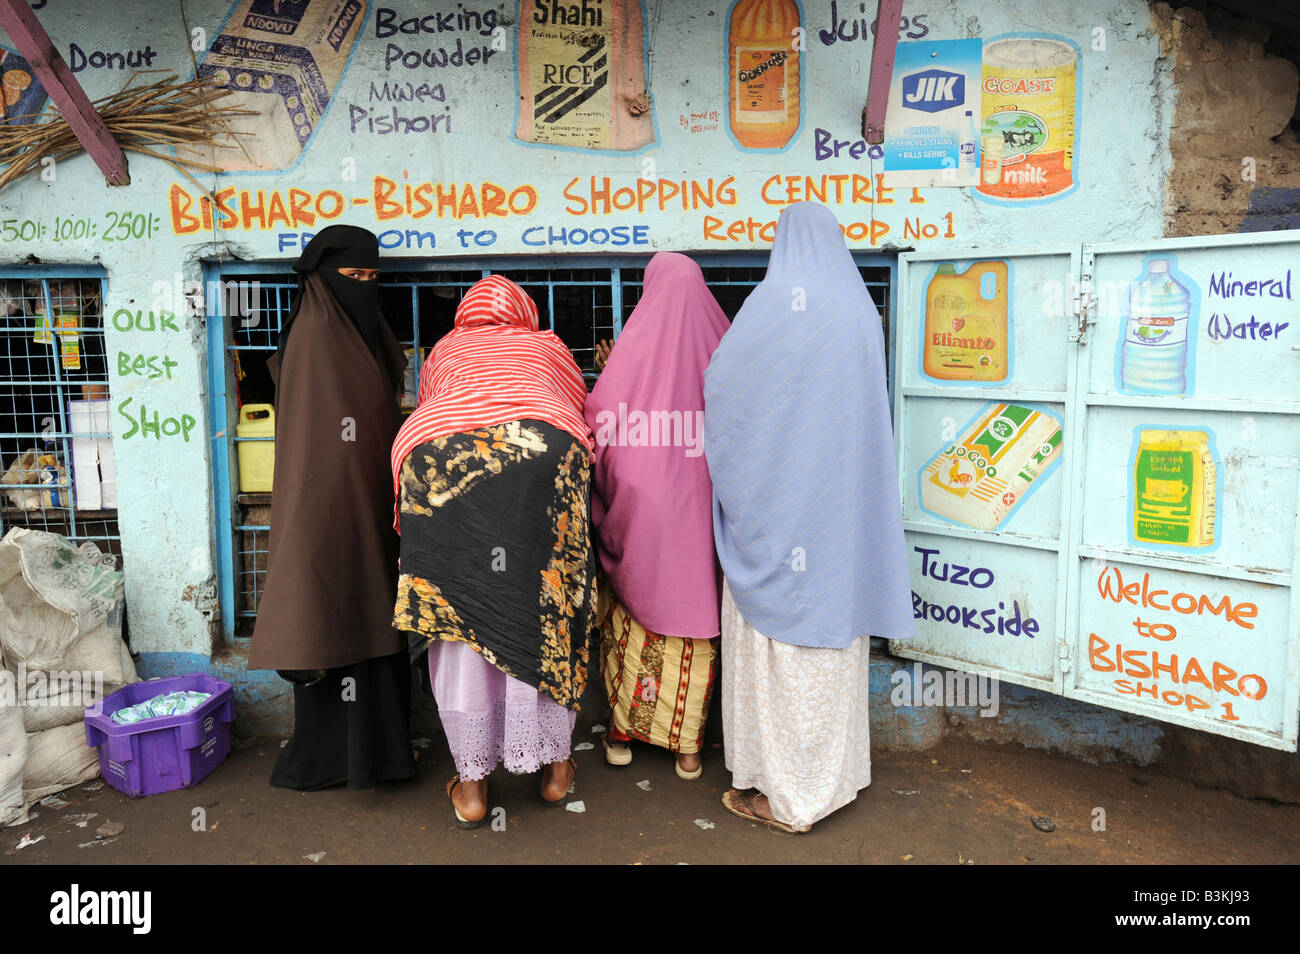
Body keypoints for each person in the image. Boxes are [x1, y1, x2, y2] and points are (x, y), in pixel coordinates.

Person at [702, 201, 915, 833]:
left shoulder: (769, 308)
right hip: (837, 522)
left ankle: (787, 797)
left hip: (775, 516)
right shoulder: (858, 312)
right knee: (830, 639)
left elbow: (721, 388)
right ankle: (832, 781)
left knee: (776, 651)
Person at [390, 275, 598, 828]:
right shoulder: (548, 347)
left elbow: (434, 401)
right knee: (547, 607)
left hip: (439, 459)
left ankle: (475, 788)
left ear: (466, 315)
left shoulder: (446, 349)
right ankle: (555, 773)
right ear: (525, 313)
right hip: (543, 456)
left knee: (459, 613)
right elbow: (576, 407)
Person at [248, 225, 417, 791]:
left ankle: (380, 756)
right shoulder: (320, 333)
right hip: (330, 510)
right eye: (355, 277)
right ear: (323, 279)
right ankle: (337, 760)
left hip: (367, 502)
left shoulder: (360, 331)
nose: (366, 287)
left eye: (374, 278)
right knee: (340, 612)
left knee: (367, 612)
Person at [585, 252, 728, 780]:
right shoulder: (726, 339)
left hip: (644, 521)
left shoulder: (635, 347)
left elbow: (602, 421)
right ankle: (688, 749)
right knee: (694, 631)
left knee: (633, 625)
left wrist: (614, 370)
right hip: (701, 523)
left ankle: (622, 734)